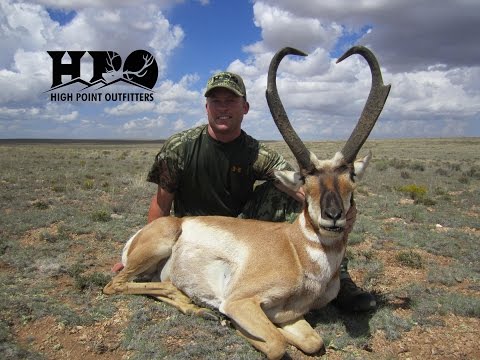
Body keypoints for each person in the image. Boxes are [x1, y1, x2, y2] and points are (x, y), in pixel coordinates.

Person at [145, 71, 376, 312]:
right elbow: (161, 204)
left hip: (241, 231)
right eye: (216, 101)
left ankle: (337, 278)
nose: (223, 108)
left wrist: (344, 209)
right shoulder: (179, 148)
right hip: (195, 233)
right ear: (206, 107)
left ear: (244, 107)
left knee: (294, 198)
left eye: (231, 101)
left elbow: (306, 187)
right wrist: (149, 249)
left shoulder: (257, 153)